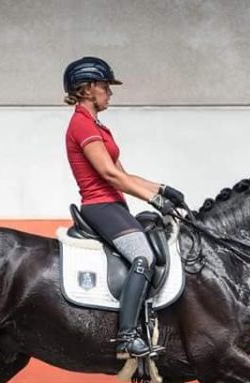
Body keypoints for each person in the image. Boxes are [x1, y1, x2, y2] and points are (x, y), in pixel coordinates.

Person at [63, 56, 185, 359]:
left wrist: (163, 189)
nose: (110, 91)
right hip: (99, 205)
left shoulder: (98, 127)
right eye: (105, 85)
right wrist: (153, 200)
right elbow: (109, 175)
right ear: (88, 88)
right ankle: (127, 336)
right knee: (142, 256)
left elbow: (124, 175)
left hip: (114, 204)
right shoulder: (81, 124)